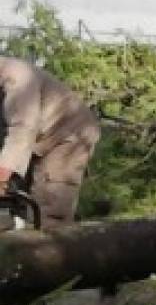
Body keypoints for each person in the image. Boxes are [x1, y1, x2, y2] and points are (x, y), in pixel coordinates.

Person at [0, 56, 100, 230]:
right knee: (22, 206)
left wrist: (1, 176)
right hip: (39, 139)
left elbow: (23, 128)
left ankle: (49, 250)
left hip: (68, 136)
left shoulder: (18, 77)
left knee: (49, 209)